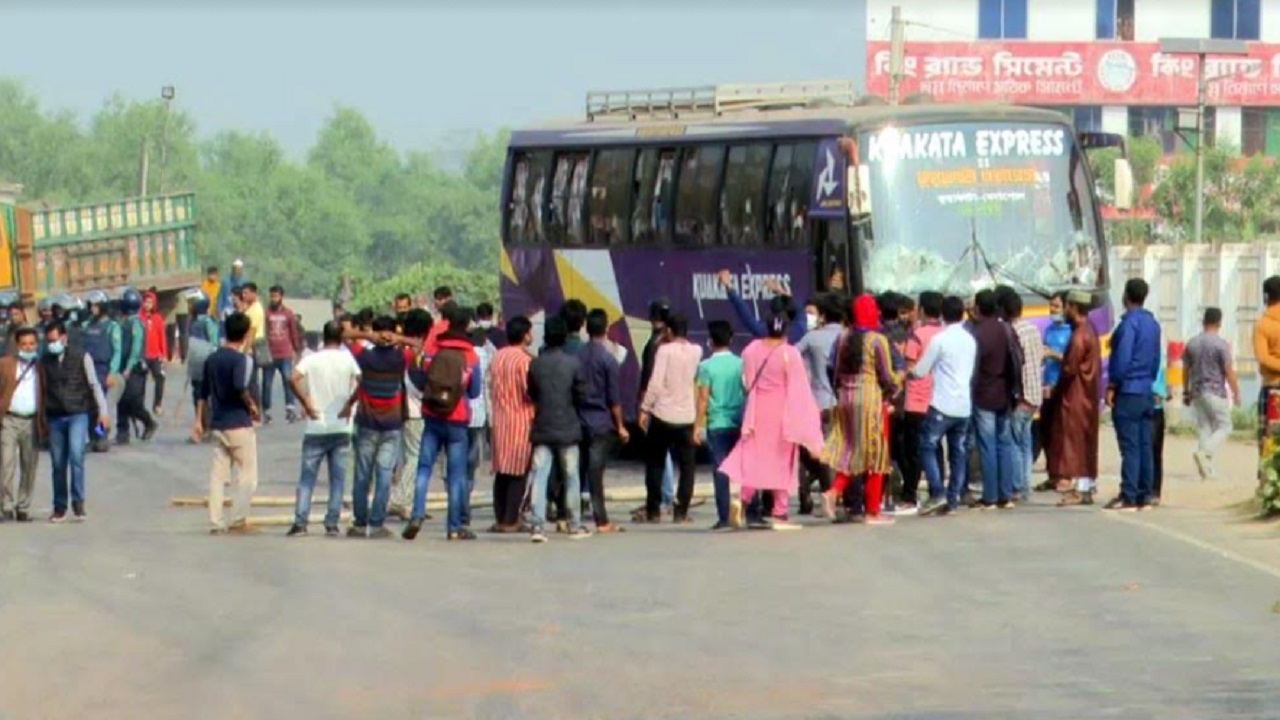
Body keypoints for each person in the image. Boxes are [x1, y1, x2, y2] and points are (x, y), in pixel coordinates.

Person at [720, 310, 823, 530]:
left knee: (754, 458)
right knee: (783, 461)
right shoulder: (790, 353)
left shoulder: (751, 350)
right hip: (782, 412)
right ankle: (780, 511)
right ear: (785, 329)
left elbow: (748, 383)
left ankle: (743, 499)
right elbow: (799, 388)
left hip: (757, 411)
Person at [822, 295, 902, 525]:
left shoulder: (843, 337)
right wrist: (899, 381)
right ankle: (873, 510)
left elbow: (832, 370)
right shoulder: (877, 340)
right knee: (876, 453)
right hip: (870, 401)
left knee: (852, 449)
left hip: (845, 399)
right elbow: (887, 376)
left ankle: (834, 491)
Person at [405, 305, 482, 541]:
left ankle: (416, 514)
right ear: (466, 325)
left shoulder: (434, 348)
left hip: (432, 414)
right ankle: (454, 526)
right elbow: (475, 391)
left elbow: (419, 376)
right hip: (457, 419)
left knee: (424, 468)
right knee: (456, 474)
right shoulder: (472, 356)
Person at [286, 321, 362, 537]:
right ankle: (332, 522)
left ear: (323, 337)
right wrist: (349, 404)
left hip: (316, 426)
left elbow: (293, 378)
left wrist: (306, 403)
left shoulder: (312, 359)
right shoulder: (348, 359)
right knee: (337, 479)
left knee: (307, 478)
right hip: (341, 426)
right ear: (340, 338)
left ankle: (301, 521)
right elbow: (362, 381)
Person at [342, 316, 412, 539]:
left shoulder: (365, 357)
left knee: (363, 475)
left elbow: (345, 335)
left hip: (367, 423)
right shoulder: (401, 358)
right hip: (392, 425)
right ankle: (377, 522)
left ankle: (360, 522)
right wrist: (398, 337)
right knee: (383, 475)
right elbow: (419, 345)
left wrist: (368, 336)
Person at [193, 312, 260, 534]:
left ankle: (216, 520)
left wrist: (198, 421)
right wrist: (251, 405)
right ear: (243, 335)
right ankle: (238, 518)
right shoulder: (240, 360)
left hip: (218, 423)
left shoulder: (212, 359)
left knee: (218, 476)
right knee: (247, 475)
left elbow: (203, 393)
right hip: (238, 423)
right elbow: (240, 386)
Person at [41, 321, 111, 522]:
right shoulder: (45, 362)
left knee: (76, 456)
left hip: (77, 413)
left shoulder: (81, 357)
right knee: (57, 463)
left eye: (55, 340)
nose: (52, 344)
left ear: (64, 338)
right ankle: (59, 505)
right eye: (49, 341)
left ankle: (78, 502)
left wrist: (102, 412)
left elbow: (94, 385)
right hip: (55, 416)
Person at [527, 317, 590, 542]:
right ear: (564, 337)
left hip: (543, 426)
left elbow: (532, 393)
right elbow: (581, 395)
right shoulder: (573, 364)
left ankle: (537, 526)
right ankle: (574, 524)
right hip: (568, 427)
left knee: (540, 476)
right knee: (571, 476)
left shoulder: (535, 364)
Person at [914, 296, 977, 516]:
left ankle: (938, 492)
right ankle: (953, 499)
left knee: (927, 446)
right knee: (958, 452)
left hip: (942, 403)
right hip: (964, 405)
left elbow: (921, 370)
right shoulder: (969, 340)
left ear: (942, 314)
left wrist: (909, 373)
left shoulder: (940, 340)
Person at [638, 311, 701, 523]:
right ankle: (681, 511)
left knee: (655, 462)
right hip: (687, 415)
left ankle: (653, 510)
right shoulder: (696, 351)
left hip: (663, 414)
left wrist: (645, 409)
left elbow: (655, 383)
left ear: (669, 331)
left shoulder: (664, 351)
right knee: (687, 465)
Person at [1106, 278, 1162, 511]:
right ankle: (1145, 493)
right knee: (1144, 444)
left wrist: (1112, 385)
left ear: (1126, 296)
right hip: (1146, 389)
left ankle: (1128, 494)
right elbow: (1156, 358)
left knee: (1129, 445)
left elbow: (1122, 358)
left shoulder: (1128, 324)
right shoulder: (1153, 324)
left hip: (1128, 389)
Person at [576, 308, 629, 533]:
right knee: (595, 473)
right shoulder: (608, 359)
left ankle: (567, 515)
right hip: (599, 422)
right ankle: (601, 520)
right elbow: (614, 398)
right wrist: (621, 426)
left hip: (577, 419)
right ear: (606, 329)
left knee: (573, 470)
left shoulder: (575, 356)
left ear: (586, 329)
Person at [1049, 291, 1103, 506]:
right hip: (1088, 394)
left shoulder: (1080, 335)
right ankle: (1086, 486)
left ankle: (1081, 489)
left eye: (1067, 306)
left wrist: (1056, 390)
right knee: (1086, 440)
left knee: (1077, 443)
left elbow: (1069, 369)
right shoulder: (1089, 330)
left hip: (1076, 395)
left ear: (1073, 307)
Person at [968, 289, 1019, 510]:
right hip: (1005, 393)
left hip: (984, 394)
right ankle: (1005, 495)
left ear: (978, 308)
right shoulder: (1006, 330)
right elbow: (1018, 359)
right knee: (1004, 444)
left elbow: (973, 368)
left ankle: (990, 496)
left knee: (987, 446)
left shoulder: (977, 334)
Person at [793, 293, 842, 516]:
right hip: (840, 403)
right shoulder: (848, 336)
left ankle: (807, 496)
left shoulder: (812, 338)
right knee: (834, 454)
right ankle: (831, 496)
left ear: (822, 316)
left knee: (809, 452)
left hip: (815, 403)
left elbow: (790, 355)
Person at [695, 320, 745, 531]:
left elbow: (703, 399)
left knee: (720, 470)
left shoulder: (705, 367)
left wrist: (698, 425)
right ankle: (751, 508)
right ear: (731, 339)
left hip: (717, 422)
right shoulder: (740, 363)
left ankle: (724, 516)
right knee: (745, 468)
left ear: (710, 341)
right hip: (739, 421)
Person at [489, 316, 536, 532]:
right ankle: (511, 519)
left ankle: (500, 518)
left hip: (500, 420)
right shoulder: (524, 361)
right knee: (518, 471)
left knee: (502, 471)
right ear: (525, 334)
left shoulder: (497, 356)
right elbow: (530, 391)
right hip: (521, 420)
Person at [1184, 307, 1241, 481]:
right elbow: (1228, 371)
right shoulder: (1221, 345)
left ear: (1204, 321)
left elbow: (1186, 369)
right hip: (1215, 391)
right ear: (1219, 323)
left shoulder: (1192, 343)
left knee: (1205, 428)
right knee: (1225, 426)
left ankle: (1206, 470)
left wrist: (1186, 390)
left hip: (1198, 391)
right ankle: (1204, 453)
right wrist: (1236, 391)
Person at [900, 291, 945, 511]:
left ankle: (909, 496)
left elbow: (909, 367)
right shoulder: (946, 333)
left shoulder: (916, 335)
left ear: (923, 310)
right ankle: (939, 491)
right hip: (938, 400)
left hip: (916, 400)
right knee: (936, 448)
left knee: (913, 452)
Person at [390, 309, 432, 521]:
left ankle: (408, 500)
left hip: (402, 408)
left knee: (407, 456)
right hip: (415, 408)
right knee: (415, 457)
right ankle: (401, 500)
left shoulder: (400, 349)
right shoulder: (414, 352)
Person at [636, 298, 676, 518]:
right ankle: (668, 495)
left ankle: (665, 496)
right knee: (667, 451)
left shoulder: (654, 344)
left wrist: (643, 405)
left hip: (657, 403)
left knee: (659, 452)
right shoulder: (674, 341)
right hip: (675, 401)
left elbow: (649, 378)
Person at [1004, 293, 1045, 502]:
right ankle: (1026, 484)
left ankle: (1018, 486)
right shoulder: (1033, 329)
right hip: (1035, 394)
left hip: (1021, 395)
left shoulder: (1012, 332)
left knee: (1015, 442)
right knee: (1026, 443)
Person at [0, 328, 44, 523]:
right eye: (24, 344)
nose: (28, 347)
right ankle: (6, 505)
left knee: (29, 466)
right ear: (18, 346)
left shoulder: (41, 366)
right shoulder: (5, 364)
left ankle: (23, 506)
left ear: (37, 345)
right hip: (9, 420)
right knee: (6, 464)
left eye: (31, 344)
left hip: (32, 421)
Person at [1037, 292, 1073, 490]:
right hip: (1048, 385)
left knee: (1063, 432)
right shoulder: (1049, 329)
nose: (1053, 311)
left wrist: (1054, 354)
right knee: (1047, 431)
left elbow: (1071, 359)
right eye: (1051, 307)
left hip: (1064, 387)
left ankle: (1065, 475)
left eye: (1056, 307)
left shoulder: (1071, 331)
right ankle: (1052, 473)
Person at [79, 290, 121, 453]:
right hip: (88, 367)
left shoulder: (112, 326)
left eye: (96, 305)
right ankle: (91, 437)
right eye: (91, 305)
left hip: (104, 369)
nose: (93, 309)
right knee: (89, 405)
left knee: (102, 405)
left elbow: (117, 351)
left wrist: (112, 372)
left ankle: (101, 436)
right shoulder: (87, 325)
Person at [464, 312, 496, 527]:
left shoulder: (463, 353)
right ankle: (464, 502)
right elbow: (486, 388)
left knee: (457, 463)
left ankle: (459, 502)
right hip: (478, 416)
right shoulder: (484, 354)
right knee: (471, 464)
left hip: (458, 414)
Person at [116, 287, 157, 444]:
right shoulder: (122, 322)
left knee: (132, 401)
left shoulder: (136, 324)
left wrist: (128, 367)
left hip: (135, 369)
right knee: (120, 400)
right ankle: (122, 432)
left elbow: (136, 347)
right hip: (122, 366)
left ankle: (149, 422)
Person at [262, 285, 304, 424]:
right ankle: (266, 411)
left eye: (276, 296)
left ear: (281, 297)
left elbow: (293, 332)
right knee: (267, 383)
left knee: (288, 380)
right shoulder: (266, 313)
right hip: (270, 353)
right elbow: (264, 332)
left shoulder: (288, 314)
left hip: (285, 352)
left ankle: (290, 409)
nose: (274, 299)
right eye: (272, 296)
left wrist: (297, 350)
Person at [1253, 276, 1280, 455]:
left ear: (1266, 297)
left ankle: (1269, 480)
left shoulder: (1262, 324)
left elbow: (1263, 358)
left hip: (1272, 388)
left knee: (1269, 439)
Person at [138, 290, 168, 417]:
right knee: (140, 381)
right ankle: (139, 405)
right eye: (146, 302)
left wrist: (164, 354)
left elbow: (162, 337)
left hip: (155, 355)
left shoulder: (158, 318)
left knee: (160, 378)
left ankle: (157, 404)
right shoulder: (139, 318)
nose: (148, 305)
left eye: (150, 302)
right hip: (143, 355)